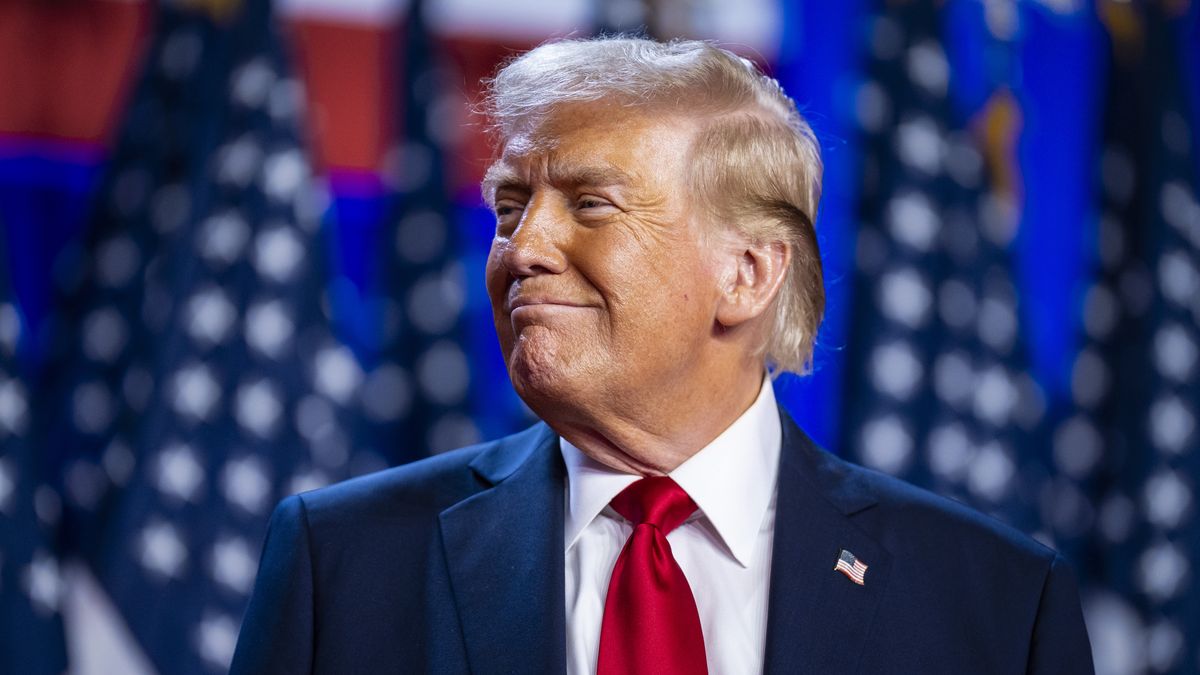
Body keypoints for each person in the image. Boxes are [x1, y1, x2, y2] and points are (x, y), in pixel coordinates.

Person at [230, 36, 1094, 674]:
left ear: (747, 274)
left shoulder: (995, 605)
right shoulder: (340, 562)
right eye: (509, 206)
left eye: (592, 205)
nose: (522, 248)